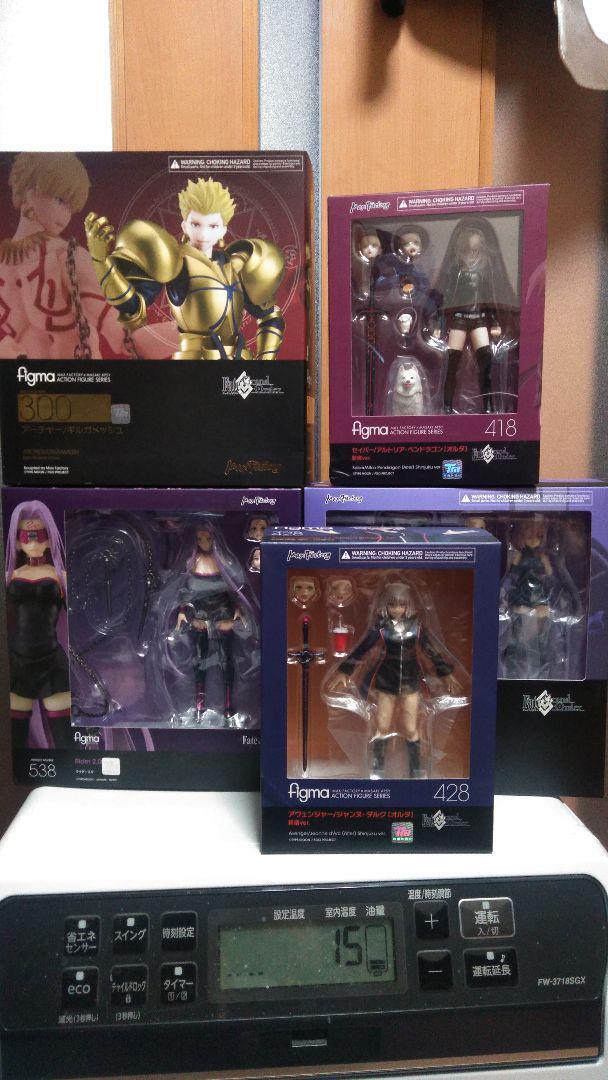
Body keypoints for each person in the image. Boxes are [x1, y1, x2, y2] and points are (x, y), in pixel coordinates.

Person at [84, 176, 286, 360]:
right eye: (196, 224)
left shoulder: (238, 264)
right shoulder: (175, 261)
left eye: (213, 226)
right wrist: (101, 261)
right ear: (184, 226)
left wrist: (265, 362)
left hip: (241, 367)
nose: (204, 234)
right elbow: (133, 307)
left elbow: (270, 316)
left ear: (223, 230)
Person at [329, 581, 457, 778]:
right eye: (392, 605)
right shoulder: (381, 628)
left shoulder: (417, 628)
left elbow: (431, 651)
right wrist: (343, 671)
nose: (397, 609)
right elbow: (361, 650)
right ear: (385, 605)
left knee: (410, 728)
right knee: (382, 726)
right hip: (386, 681)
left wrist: (446, 673)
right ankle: (377, 769)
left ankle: (416, 770)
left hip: (411, 681)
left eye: (401, 605)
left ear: (408, 605)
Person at [5, 499, 72, 749]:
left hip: (51, 660)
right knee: (14, 741)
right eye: (26, 536)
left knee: (65, 739)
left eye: (39, 535)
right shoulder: (11, 576)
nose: (33, 542)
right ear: (18, 541)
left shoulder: (60, 577)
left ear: (49, 538)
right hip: (18, 661)